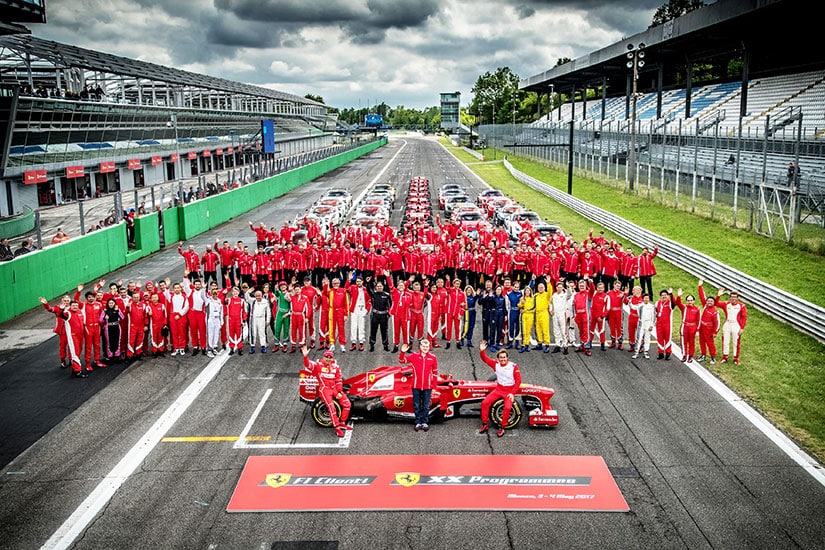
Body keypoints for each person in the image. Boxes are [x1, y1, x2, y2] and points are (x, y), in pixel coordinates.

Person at [301, 346, 352, 438]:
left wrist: (340, 391)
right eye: (326, 357)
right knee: (331, 408)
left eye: (330, 357)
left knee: (347, 404)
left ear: (332, 358)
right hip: (324, 390)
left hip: (334, 389)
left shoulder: (335, 367)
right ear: (323, 357)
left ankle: (342, 423)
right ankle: (337, 428)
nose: (328, 359)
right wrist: (305, 356)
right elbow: (308, 365)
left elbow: (339, 380)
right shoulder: (318, 365)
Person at [478, 341, 522, 438]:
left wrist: (512, 393)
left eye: (504, 357)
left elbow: (518, 381)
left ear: (507, 358)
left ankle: (502, 427)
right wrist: (482, 351)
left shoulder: (513, 367)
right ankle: (485, 424)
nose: (503, 359)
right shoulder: (496, 364)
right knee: (485, 402)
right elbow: (485, 359)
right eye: (501, 357)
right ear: (498, 358)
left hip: (509, 391)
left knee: (507, 408)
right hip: (499, 389)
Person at [399, 339, 439, 432]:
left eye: (427, 346)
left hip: (428, 386)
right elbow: (402, 360)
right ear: (420, 346)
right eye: (424, 346)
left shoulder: (433, 357)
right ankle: (417, 422)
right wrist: (402, 352)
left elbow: (435, 373)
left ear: (429, 347)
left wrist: (434, 387)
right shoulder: (414, 356)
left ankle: (425, 422)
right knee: (416, 405)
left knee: (426, 406)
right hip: (416, 385)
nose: (425, 348)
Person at [715, 286, 748, 365]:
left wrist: (742, 328)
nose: (733, 299)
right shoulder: (726, 304)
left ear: (737, 298)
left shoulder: (742, 306)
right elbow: (716, 303)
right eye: (732, 297)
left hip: (736, 325)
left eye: (735, 297)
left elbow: (744, 317)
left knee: (736, 342)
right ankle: (725, 357)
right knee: (725, 341)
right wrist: (718, 295)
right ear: (729, 298)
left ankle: (735, 358)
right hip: (727, 324)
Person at [697, 280, 721, 364]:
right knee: (701, 342)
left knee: (710, 343)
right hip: (702, 327)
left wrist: (715, 332)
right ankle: (703, 355)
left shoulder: (715, 311)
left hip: (709, 329)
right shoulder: (705, 306)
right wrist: (700, 286)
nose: (709, 302)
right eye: (708, 301)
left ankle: (713, 357)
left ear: (714, 302)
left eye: (711, 301)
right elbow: (702, 296)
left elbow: (717, 323)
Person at [366, 275, 393, 352]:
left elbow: (390, 305)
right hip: (375, 315)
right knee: (373, 331)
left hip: (384, 315)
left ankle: (385, 345)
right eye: (378, 286)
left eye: (380, 286)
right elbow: (368, 290)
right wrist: (368, 283)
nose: (379, 287)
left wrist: (388, 314)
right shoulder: (373, 294)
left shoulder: (387, 295)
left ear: (383, 287)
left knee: (384, 331)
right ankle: (372, 345)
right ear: (376, 287)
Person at [674, 288, 700, 363]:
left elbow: (699, 320)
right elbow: (678, 303)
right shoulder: (684, 307)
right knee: (683, 342)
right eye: (688, 300)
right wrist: (679, 296)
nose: (690, 302)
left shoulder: (697, 309)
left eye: (691, 300)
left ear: (694, 301)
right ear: (686, 301)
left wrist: (697, 330)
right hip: (684, 326)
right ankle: (684, 355)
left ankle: (690, 356)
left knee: (692, 342)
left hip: (693, 327)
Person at [631, 293, 656, 359]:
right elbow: (632, 307)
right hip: (641, 323)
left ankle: (646, 352)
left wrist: (652, 325)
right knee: (639, 338)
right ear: (643, 299)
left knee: (647, 338)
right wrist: (630, 301)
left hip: (648, 323)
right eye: (645, 298)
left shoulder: (652, 306)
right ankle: (636, 352)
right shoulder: (640, 305)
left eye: (647, 298)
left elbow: (653, 316)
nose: (646, 299)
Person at [100, 298, 124, 363]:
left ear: (114, 304)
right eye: (110, 303)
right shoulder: (105, 311)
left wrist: (117, 311)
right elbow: (100, 320)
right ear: (108, 304)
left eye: (112, 303)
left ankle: (117, 355)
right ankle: (110, 356)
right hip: (108, 328)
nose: (111, 304)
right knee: (109, 342)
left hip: (116, 327)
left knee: (117, 341)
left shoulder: (117, 310)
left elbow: (122, 317)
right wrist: (104, 318)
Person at [247, 288, 271, 354]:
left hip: (262, 319)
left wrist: (268, 320)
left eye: (259, 295)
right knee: (253, 333)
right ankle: (252, 346)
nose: (257, 297)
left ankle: (263, 346)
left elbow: (268, 312)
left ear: (261, 295)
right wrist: (248, 292)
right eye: (256, 295)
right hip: (253, 319)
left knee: (262, 333)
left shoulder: (265, 301)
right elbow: (247, 298)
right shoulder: (253, 301)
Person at [655, 288, 676, 360]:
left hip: (667, 324)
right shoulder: (657, 303)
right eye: (662, 295)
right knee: (659, 338)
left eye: (665, 295)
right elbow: (655, 313)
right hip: (659, 324)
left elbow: (674, 303)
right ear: (660, 296)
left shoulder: (670, 303)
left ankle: (668, 353)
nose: (664, 296)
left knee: (667, 338)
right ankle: (660, 353)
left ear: (667, 296)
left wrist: (671, 294)